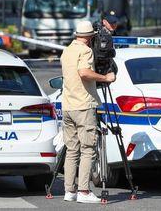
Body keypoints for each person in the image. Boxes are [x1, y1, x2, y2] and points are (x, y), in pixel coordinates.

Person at [60, 21, 115, 204]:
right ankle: (84, 191)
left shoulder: (66, 51)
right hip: (83, 106)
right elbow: (84, 72)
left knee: (72, 150)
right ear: (91, 37)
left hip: (68, 106)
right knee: (88, 149)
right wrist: (105, 77)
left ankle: (69, 191)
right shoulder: (86, 51)